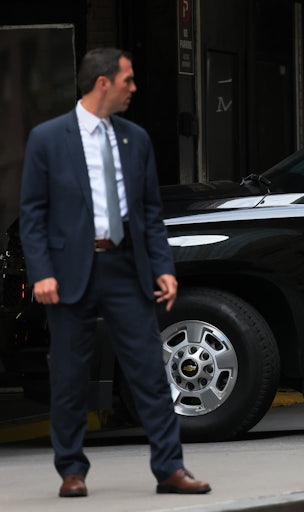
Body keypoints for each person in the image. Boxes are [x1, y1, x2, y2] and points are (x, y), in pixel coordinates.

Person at [19, 47, 210, 497]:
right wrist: (41, 272)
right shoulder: (48, 138)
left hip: (126, 268)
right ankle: (71, 471)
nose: (134, 88)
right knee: (69, 376)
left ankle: (170, 468)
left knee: (149, 371)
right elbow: (33, 213)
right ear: (102, 82)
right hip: (70, 272)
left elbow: (150, 212)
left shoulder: (135, 139)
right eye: (128, 80)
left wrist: (163, 267)